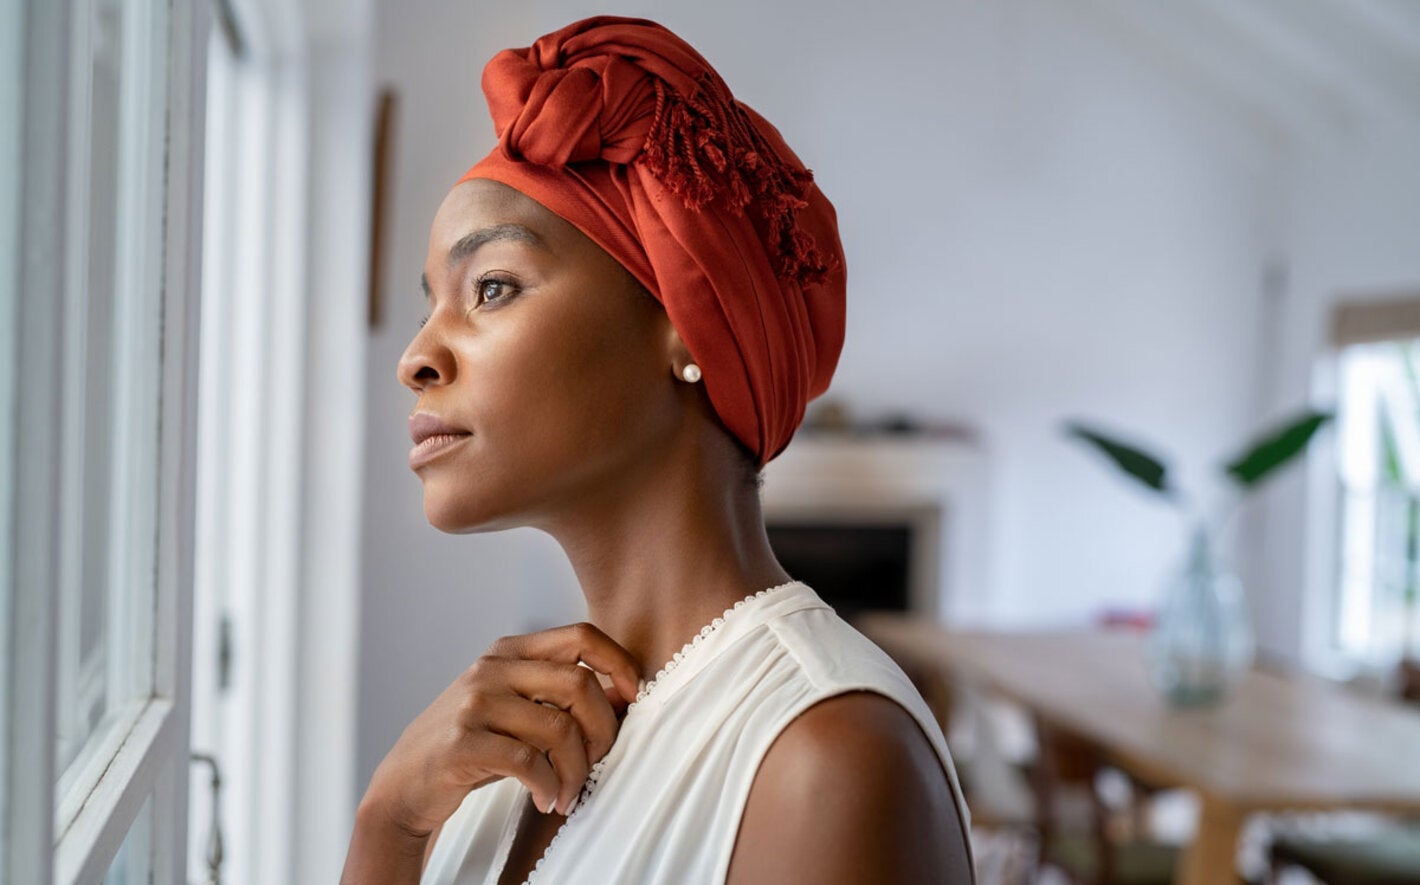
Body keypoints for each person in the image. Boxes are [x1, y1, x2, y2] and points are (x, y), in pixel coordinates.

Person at [341, 15, 975, 885]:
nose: (418, 357)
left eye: (491, 287)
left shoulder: (823, 760)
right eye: (429, 306)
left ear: (688, 323)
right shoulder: (499, 745)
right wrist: (389, 826)